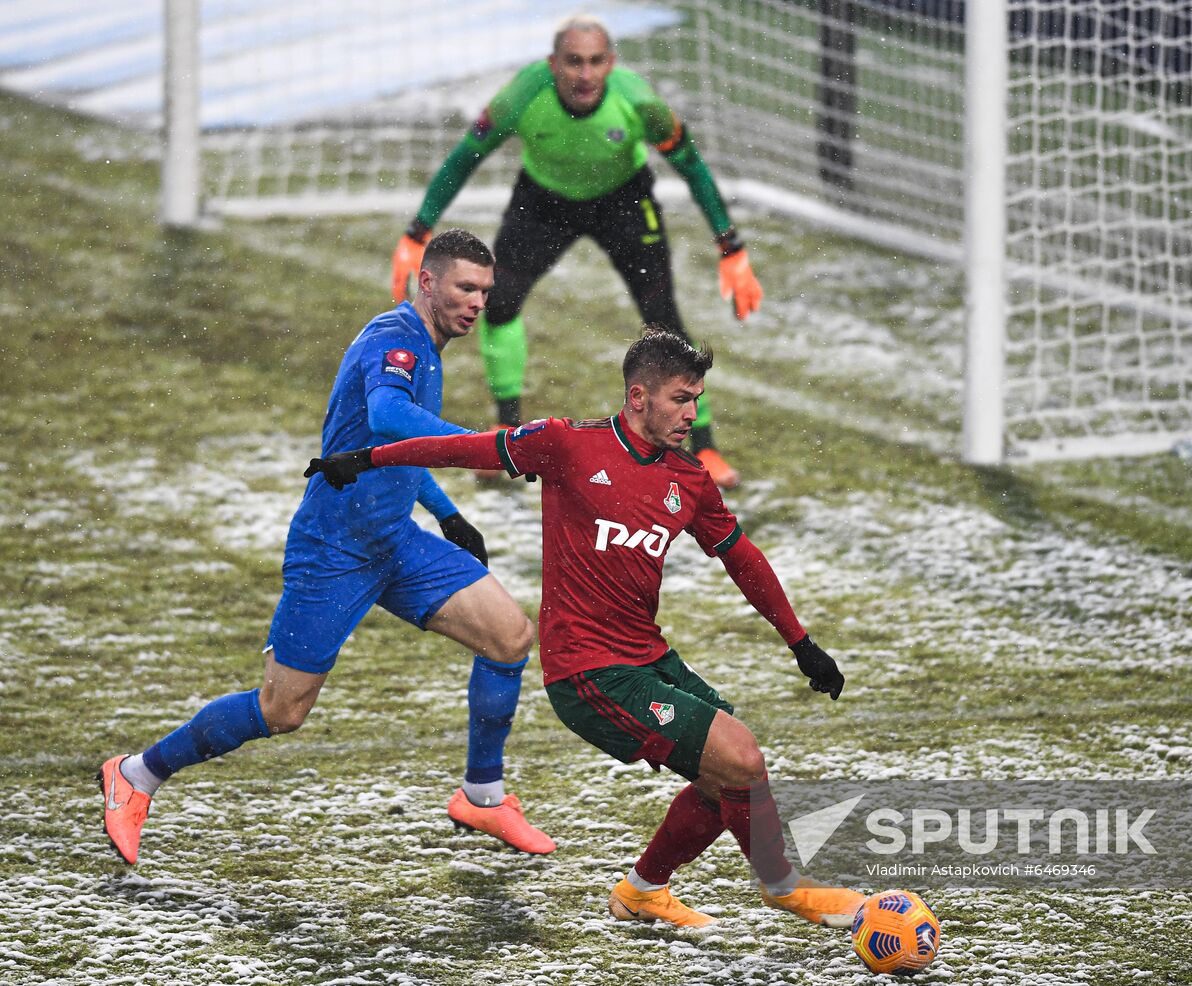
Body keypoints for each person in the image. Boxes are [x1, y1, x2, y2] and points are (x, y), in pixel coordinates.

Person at [306, 326, 865, 929]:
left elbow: (741, 557)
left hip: (647, 657)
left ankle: (643, 892)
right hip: (587, 671)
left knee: (727, 774)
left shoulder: (688, 478)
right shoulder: (565, 445)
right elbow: (469, 449)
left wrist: (801, 643)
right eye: (681, 398)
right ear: (638, 396)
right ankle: (784, 888)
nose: (692, 413)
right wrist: (366, 458)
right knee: (740, 758)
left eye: (698, 399)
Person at [99, 229, 556, 865]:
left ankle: (482, 796)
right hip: (334, 549)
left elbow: (393, 447)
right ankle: (137, 773)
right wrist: (490, 445)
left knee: (509, 636)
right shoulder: (394, 341)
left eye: (485, 290)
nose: (478, 302)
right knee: (283, 709)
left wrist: (449, 516)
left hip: (395, 539)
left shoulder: (427, 344)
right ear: (427, 282)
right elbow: (393, 418)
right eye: (465, 287)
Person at [389, 14, 763, 490]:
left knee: (664, 320)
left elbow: (691, 165)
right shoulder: (520, 98)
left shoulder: (641, 103)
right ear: (553, 64)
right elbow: (465, 157)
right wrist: (419, 231)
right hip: (544, 202)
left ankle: (703, 444)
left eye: (595, 62)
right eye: (573, 63)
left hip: (624, 201)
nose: (585, 75)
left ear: (611, 63)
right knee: (499, 301)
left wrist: (729, 246)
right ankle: (507, 428)